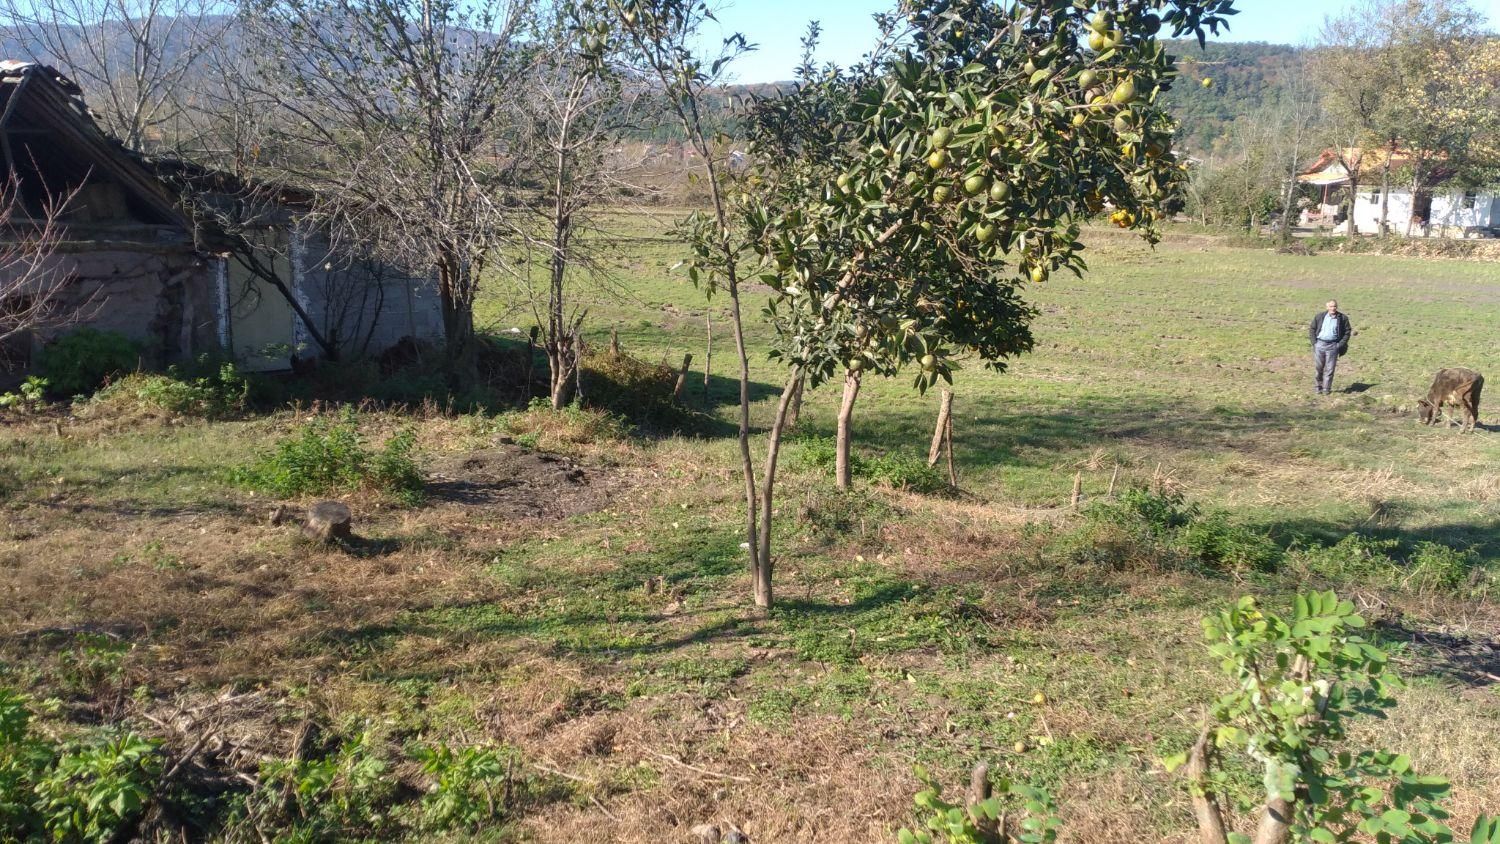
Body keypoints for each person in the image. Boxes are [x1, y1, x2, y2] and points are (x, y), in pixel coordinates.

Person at [1308, 299, 1351, 395]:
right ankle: (1318, 387)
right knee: (1319, 368)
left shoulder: (1343, 318)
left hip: (1333, 346)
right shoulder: (1319, 316)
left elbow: (1347, 332)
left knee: (1330, 369)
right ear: (1327, 307)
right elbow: (1312, 329)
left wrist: (1340, 345)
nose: (1333, 308)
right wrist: (1314, 342)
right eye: (1331, 306)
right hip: (1320, 344)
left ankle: (1326, 389)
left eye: (1335, 306)